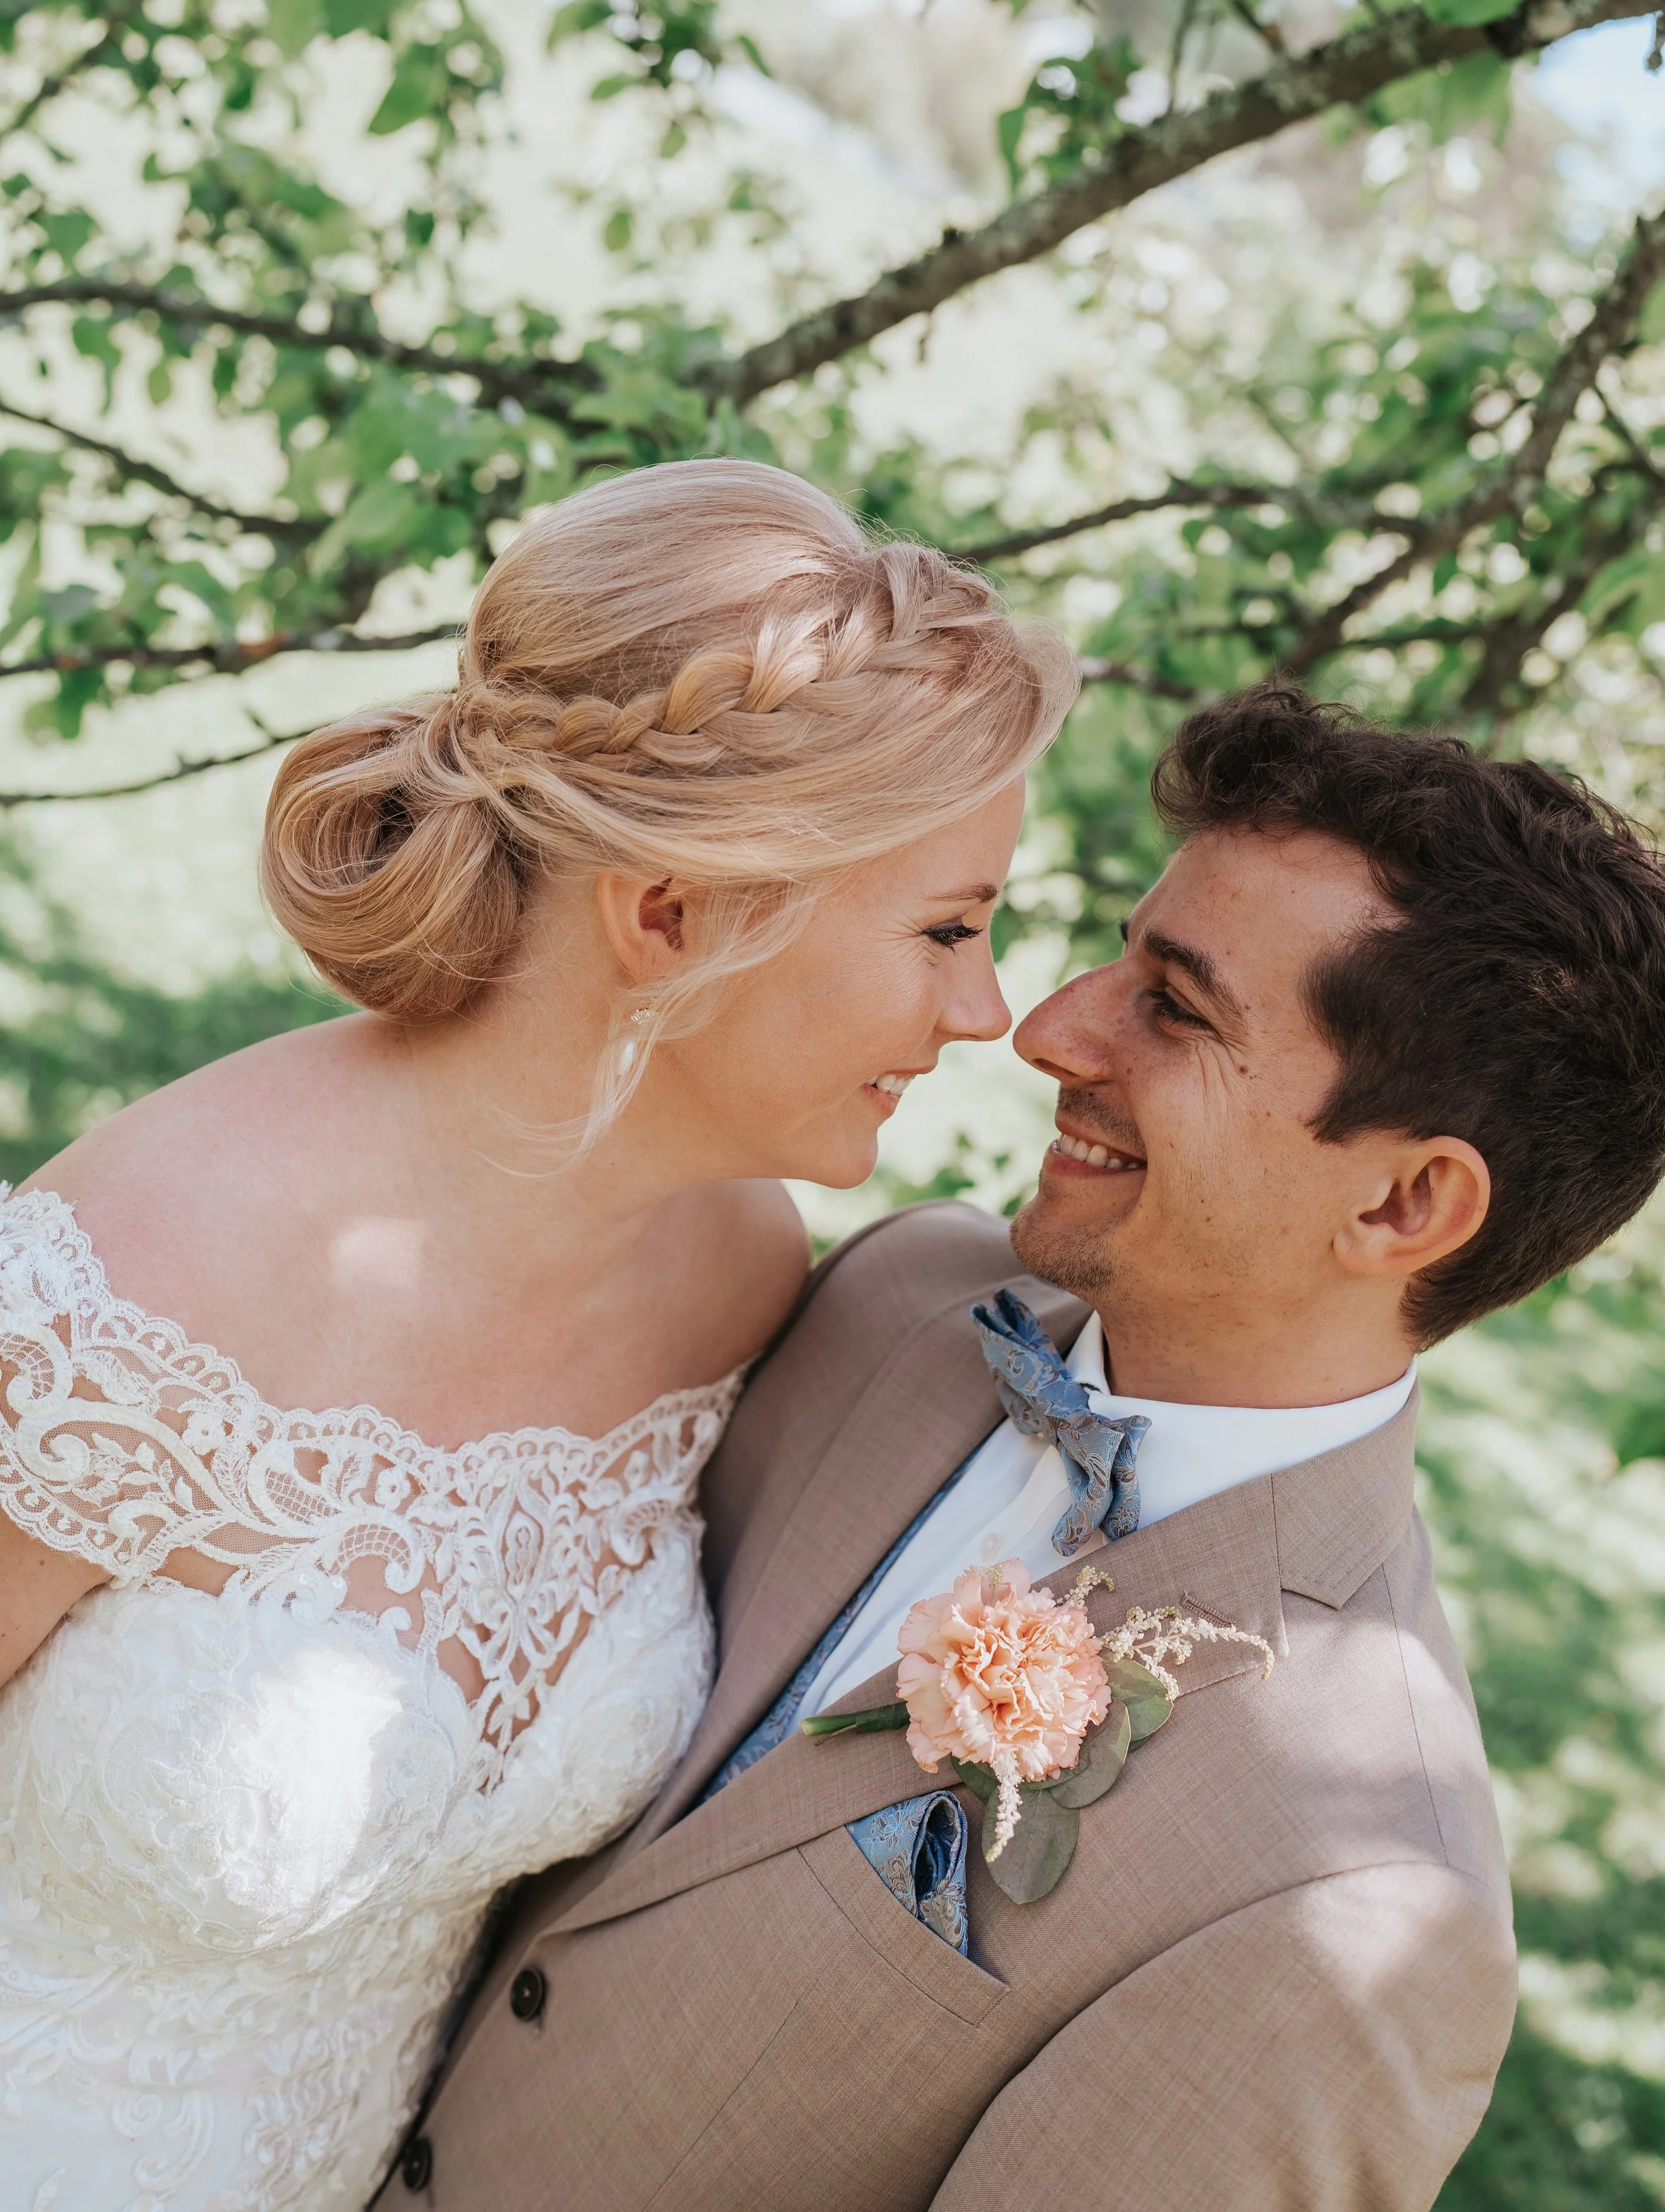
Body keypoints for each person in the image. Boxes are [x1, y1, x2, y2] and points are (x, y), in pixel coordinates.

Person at [400, 685, 1665, 2212]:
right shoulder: (896, 1292)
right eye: (1118, 954)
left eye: (1175, 1007)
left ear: (1403, 1206)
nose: (1047, 1023)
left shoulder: (1348, 1908)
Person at [0, 458, 1077, 2212]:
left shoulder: (730, 1267)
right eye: (947, 929)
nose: (988, 1010)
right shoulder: (132, 1288)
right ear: (667, 917)